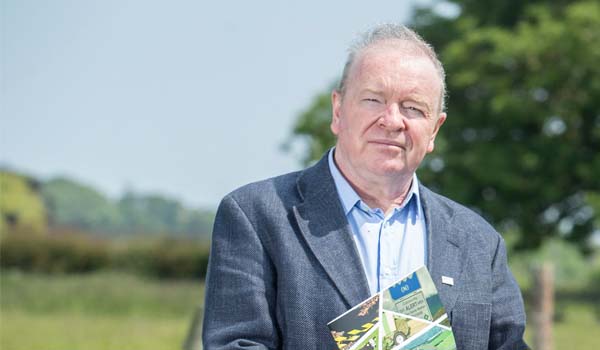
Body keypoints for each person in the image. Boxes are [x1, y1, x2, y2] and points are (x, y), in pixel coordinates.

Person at [202, 23, 528, 350]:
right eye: (373, 100)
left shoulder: (478, 241)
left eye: (413, 108)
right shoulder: (257, 216)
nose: (392, 120)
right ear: (338, 110)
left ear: (434, 131)